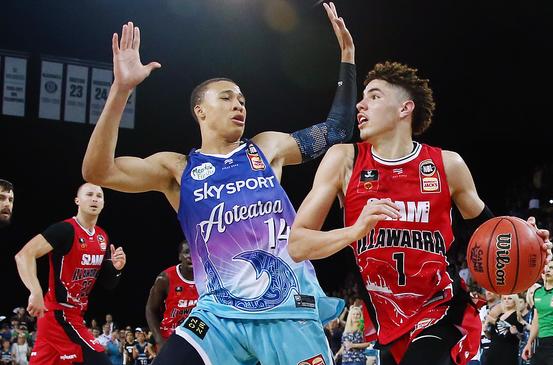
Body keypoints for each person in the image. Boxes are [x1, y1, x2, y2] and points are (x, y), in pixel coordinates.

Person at [83, 3, 356, 364]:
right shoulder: (178, 170)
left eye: (242, 99)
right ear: (201, 111)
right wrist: (121, 90)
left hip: (287, 309)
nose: (238, 105)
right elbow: (98, 172)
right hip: (217, 318)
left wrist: (348, 56)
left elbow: (336, 130)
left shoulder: (267, 148)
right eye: (226, 98)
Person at [288, 61, 552, 365]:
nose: (360, 104)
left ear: (405, 108)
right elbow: (298, 245)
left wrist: (527, 240)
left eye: (374, 96)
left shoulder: (447, 165)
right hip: (388, 323)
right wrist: (354, 231)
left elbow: (494, 231)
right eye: (363, 97)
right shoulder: (344, 160)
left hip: (441, 311)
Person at [14, 183, 126, 365]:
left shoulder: (102, 237)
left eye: (99, 196)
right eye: (89, 194)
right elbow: (24, 255)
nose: (94, 198)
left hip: (71, 316)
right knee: (99, 360)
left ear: (104, 203)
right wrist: (34, 291)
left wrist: (116, 269)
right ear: (77, 201)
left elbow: (109, 284)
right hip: (59, 315)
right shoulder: (65, 230)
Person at [145, 241, 198, 351]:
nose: (191, 256)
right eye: (187, 252)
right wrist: (159, 340)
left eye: (194, 252)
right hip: (170, 337)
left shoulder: (209, 278)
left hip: (198, 339)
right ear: (179, 256)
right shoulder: (165, 278)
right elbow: (150, 309)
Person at [482, 294, 525, 365]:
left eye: (509, 298)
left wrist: (516, 332)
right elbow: (492, 336)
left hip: (508, 352)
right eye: (504, 299)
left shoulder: (518, 315)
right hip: (493, 351)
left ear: (515, 300)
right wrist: (485, 331)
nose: (506, 301)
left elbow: (522, 337)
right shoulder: (500, 315)